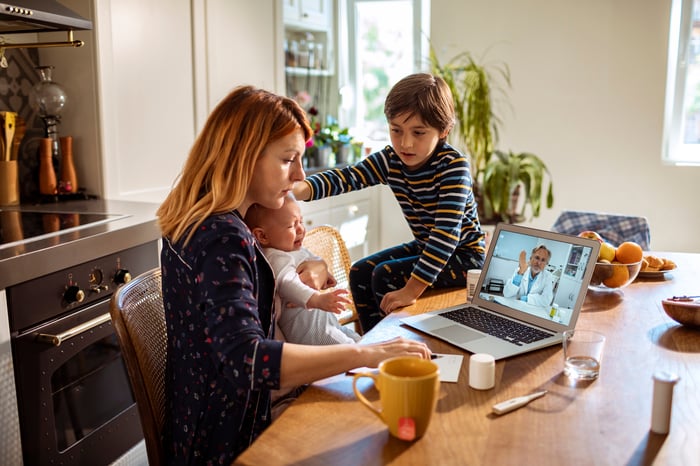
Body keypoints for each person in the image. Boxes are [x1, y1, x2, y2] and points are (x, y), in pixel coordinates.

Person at [156, 85, 431, 465]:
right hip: (231, 439)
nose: (301, 175)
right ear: (245, 156)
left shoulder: (204, 221)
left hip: (201, 421)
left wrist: (313, 268)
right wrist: (368, 353)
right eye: (289, 159)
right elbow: (247, 360)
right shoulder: (223, 237)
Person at [293, 73, 486, 333]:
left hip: (466, 258)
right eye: (396, 130)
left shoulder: (453, 167)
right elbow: (347, 177)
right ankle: (373, 341)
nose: (405, 143)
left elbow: (445, 236)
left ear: (443, 131)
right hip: (426, 247)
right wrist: (297, 189)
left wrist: (412, 290)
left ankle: (394, 342)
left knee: (385, 275)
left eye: (418, 133)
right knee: (361, 271)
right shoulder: (390, 160)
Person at [244, 195, 361, 345]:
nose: (301, 229)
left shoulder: (292, 248)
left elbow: (312, 260)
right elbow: (288, 282)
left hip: (326, 324)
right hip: (309, 334)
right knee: (353, 350)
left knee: (360, 341)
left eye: (301, 221)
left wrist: (326, 276)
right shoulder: (274, 257)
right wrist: (316, 299)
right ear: (262, 236)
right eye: (291, 226)